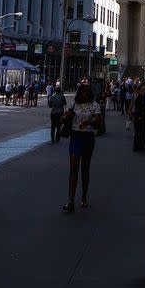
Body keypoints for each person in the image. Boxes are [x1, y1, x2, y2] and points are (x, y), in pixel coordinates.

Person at [62, 82, 102, 212]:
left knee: (85, 168)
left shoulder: (94, 105)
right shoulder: (73, 104)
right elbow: (63, 119)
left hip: (88, 138)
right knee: (73, 168)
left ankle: (84, 196)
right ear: (79, 93)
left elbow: (98, 123)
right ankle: (70, 200)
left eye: (87, 91)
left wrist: (88, 121)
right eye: (83, 91)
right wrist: (65, 117)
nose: (86, 93)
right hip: (76, 137)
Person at [132, 83, 145, 151]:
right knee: (139, 132)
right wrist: (139, 117)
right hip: (140, 118)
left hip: (141, 117)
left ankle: (140, 146)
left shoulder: (142, 98)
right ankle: (137, 147)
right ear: (142, 91)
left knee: (142, 132)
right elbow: (139, 108)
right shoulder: (139, 98)